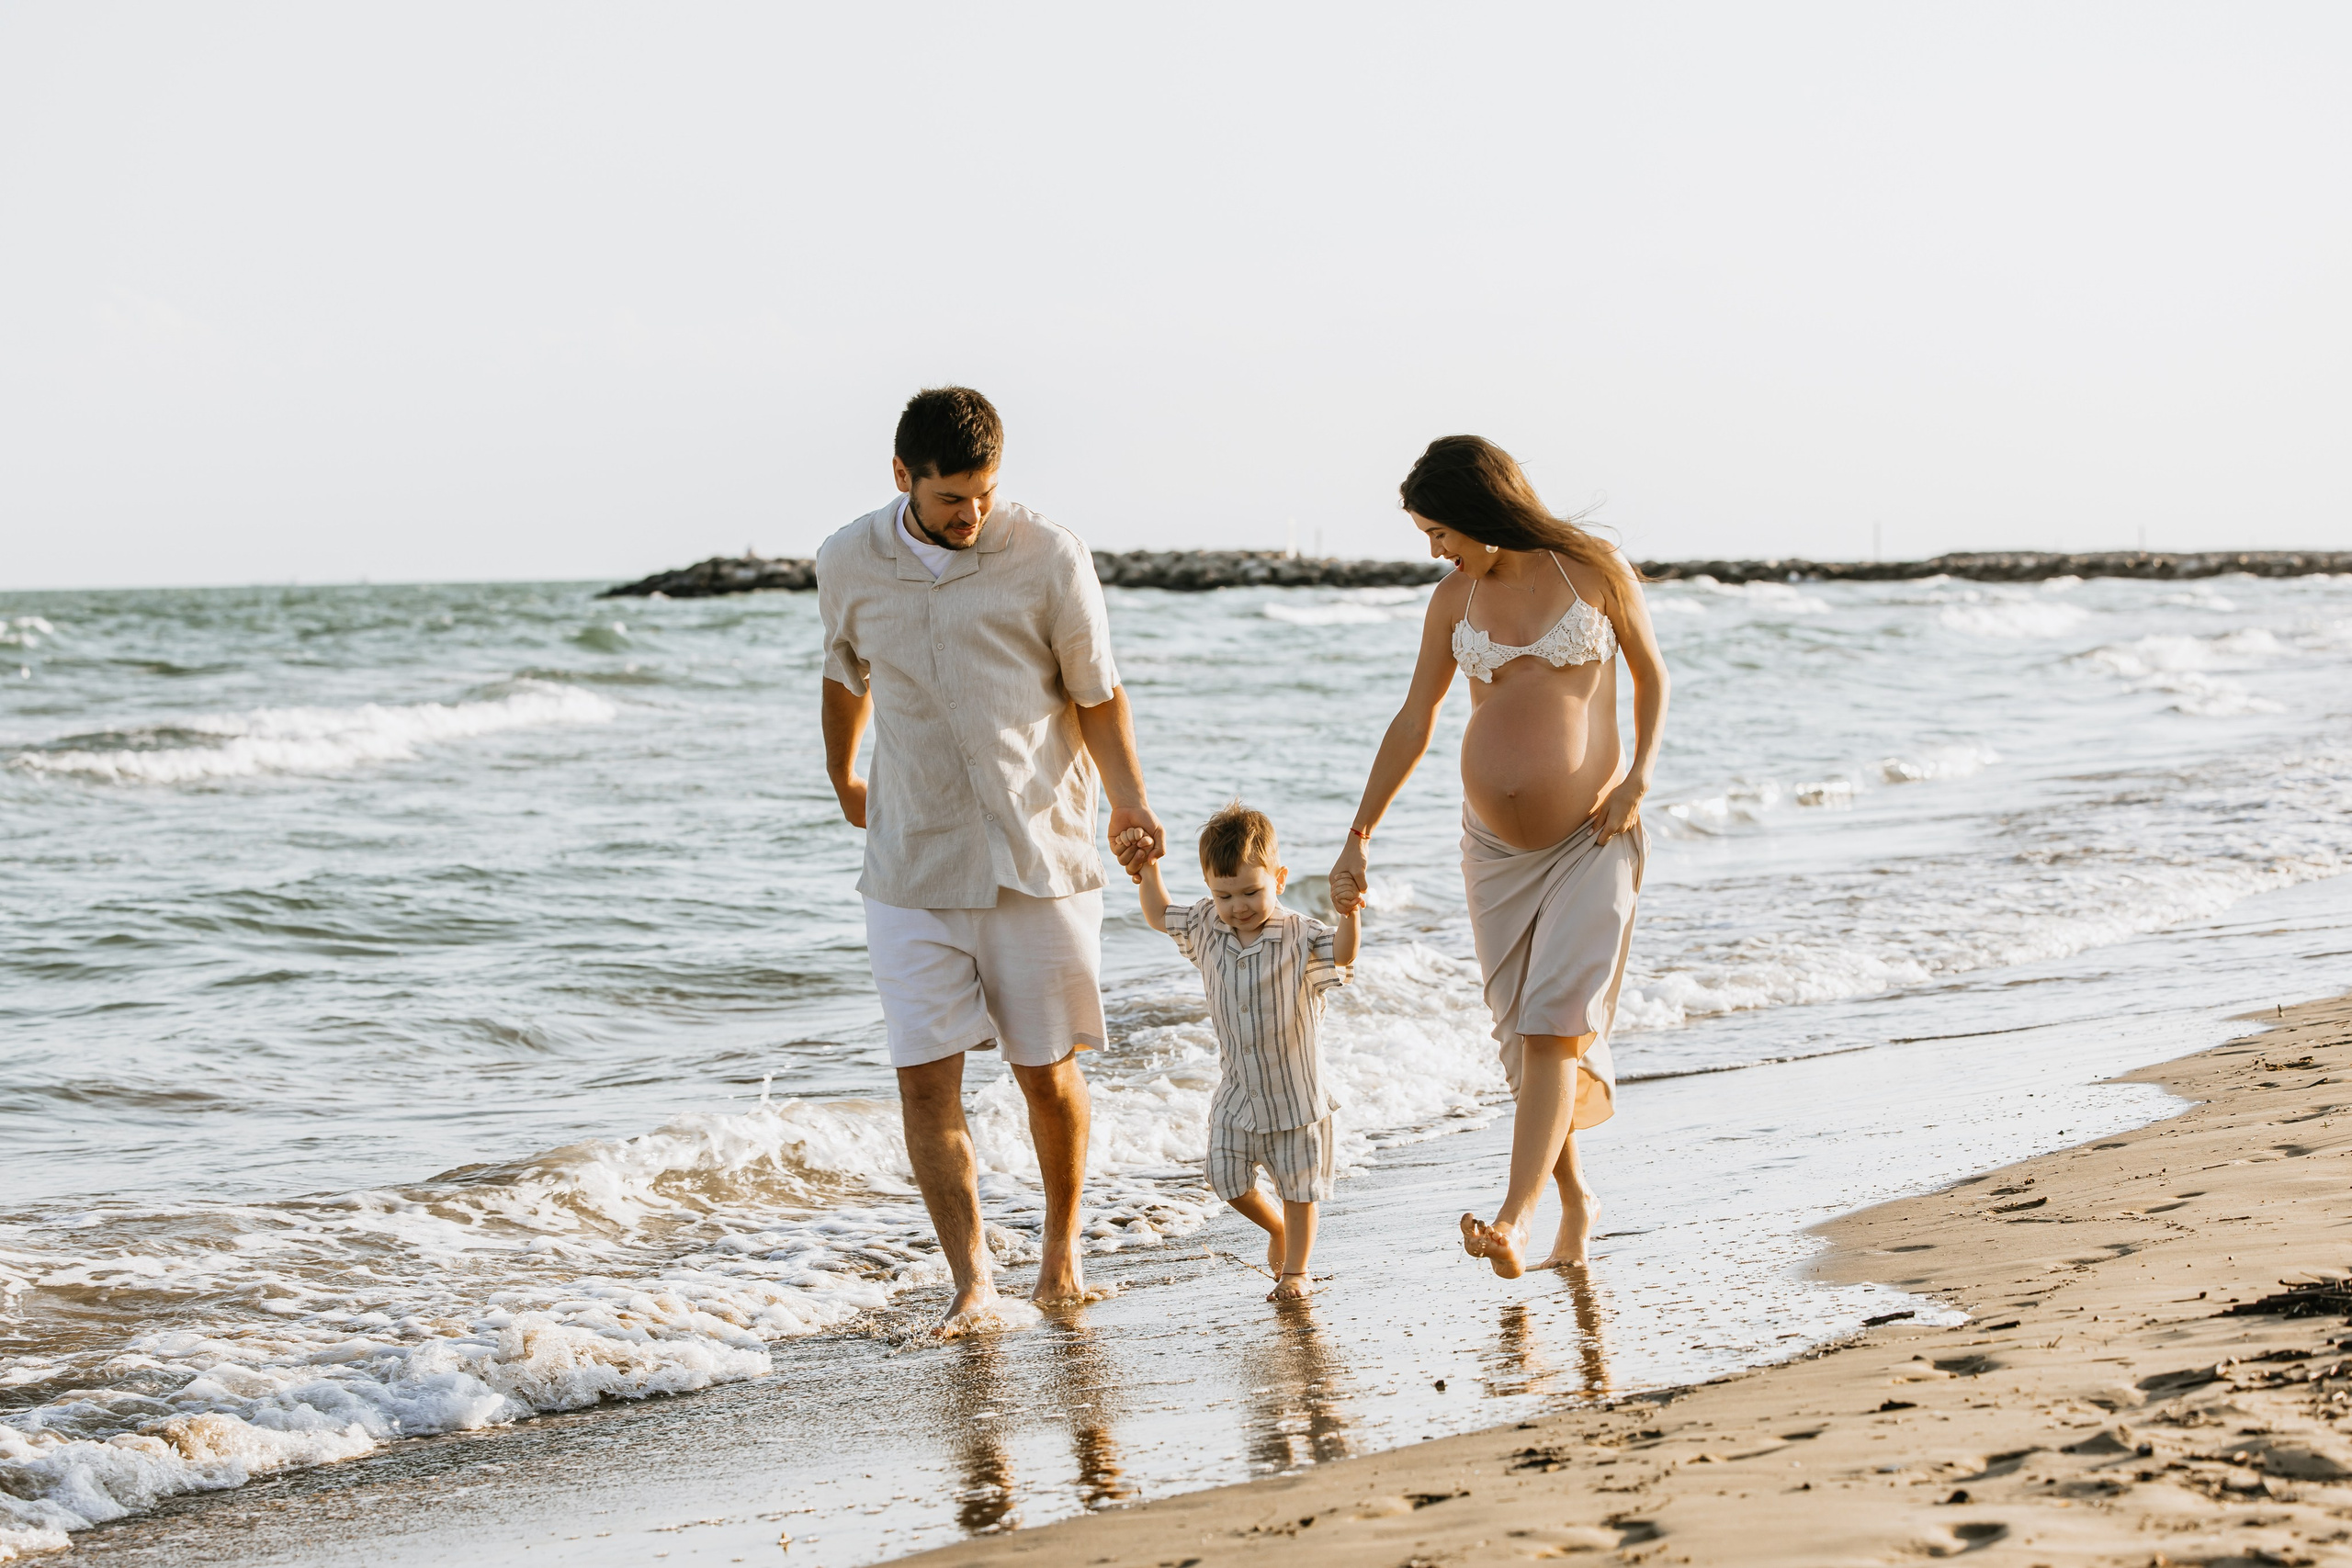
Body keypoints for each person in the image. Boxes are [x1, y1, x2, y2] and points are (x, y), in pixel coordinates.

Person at [817, 386, 1164, 1328]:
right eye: (949, 500)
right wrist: (844, 776)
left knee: (1044, 1068)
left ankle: (1061, 1251)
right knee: (925, 1076)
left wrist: (1129, 800)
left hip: (1035, 849)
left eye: (983, 495)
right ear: (903, 478)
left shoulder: (1047, 554)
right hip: (909, 859)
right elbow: (843, 672)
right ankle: (971, 1283)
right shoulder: (847, 560)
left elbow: (1098, 693)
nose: (970, 515)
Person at [1329, 435, 1668, 1279]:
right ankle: (1576, 1200)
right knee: (1523, 1038)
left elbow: (1652, 676)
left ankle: (1513, 1218)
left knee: (1554, 1022)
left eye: (1440, 531)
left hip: (1592, 836)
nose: (1435, 550)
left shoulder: (1592, 570)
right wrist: (1359, 832)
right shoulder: (1452, 601)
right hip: (1495, 857)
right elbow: (1416, 718)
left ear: (1481, 511)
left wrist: (1637, 780)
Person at [1123, 804, 1359, 1301]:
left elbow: (1342, 956)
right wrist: (1149, 869)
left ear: (1280, 877)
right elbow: (1159, 914)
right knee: (1224, 1176)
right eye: (1224, 894)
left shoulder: (1301, 935)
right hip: (1238, 1093)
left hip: (1297, 1096)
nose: (1238, 906)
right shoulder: (1208, 925)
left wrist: (1349, 916)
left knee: (1301, 1189)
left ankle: (1296, 1270)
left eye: (1252, 891)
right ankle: (1277, 1230)